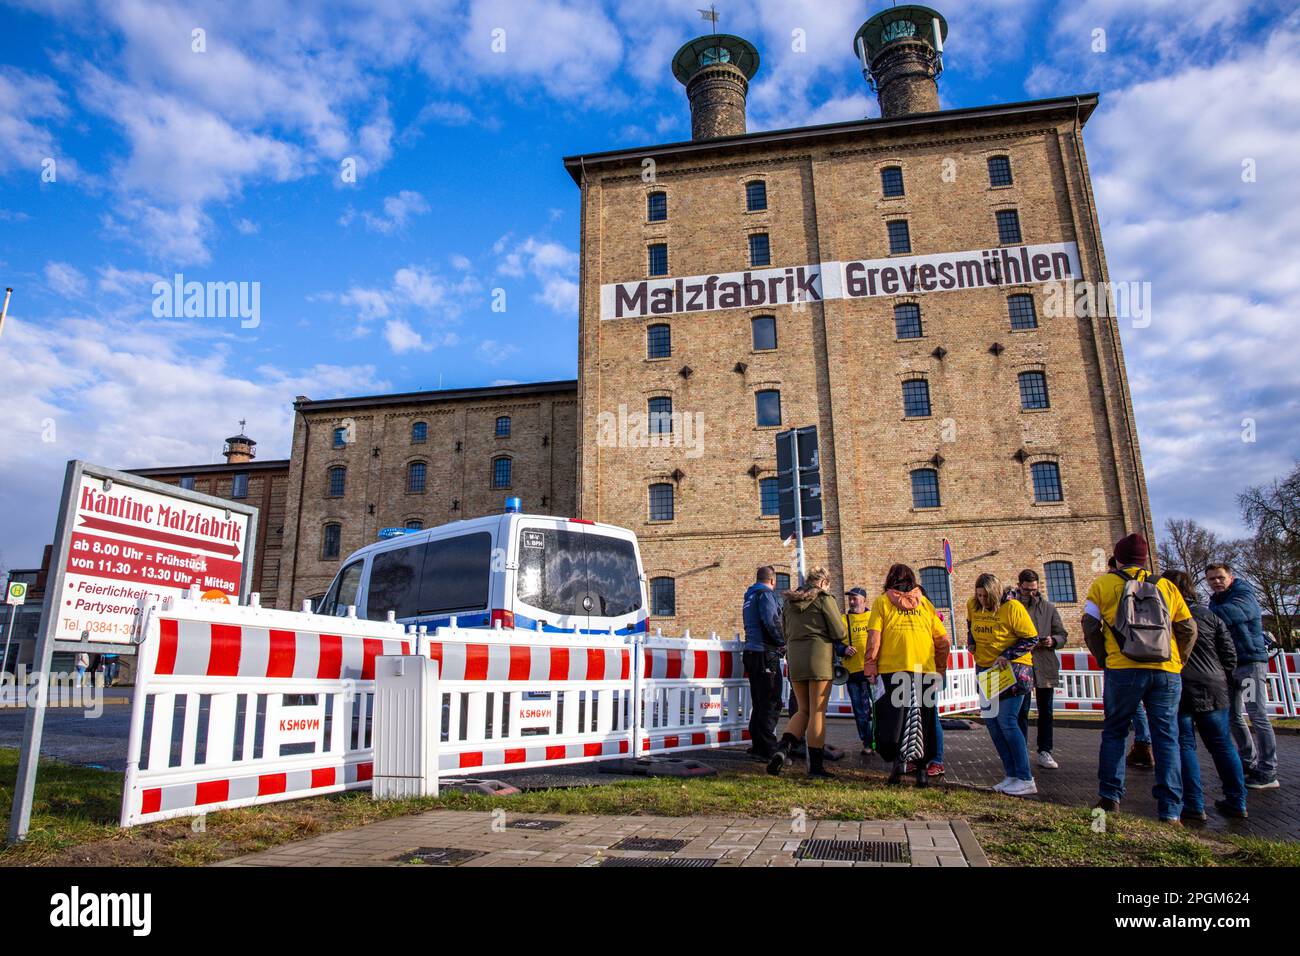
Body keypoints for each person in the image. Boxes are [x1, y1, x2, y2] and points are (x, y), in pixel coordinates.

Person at [1083, 533, 1196, 823]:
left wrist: (1105, 658)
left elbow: (1089, 625)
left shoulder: (1104, 583)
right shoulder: (1167, 586)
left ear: (1118, 558)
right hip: (1166, 669)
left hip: (1123, 667)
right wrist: (1178, 660)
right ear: (1144, 558)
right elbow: (1188, 628)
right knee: (1167, 737)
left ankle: (1110, 798)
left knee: (1115, 732)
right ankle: (1170, 809)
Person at [1162, 570, 1247, 822]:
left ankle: (1194, 805)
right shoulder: (1208, 615)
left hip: (1180, 686)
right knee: (1222, 745)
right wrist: (1223, 676)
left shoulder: (1164, 615)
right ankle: (1237, 800)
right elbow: (1229, 653)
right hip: (1214, 687)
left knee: (1185, 745)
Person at [863, 564, 950, 787]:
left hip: (894, 669)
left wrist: (870, 666)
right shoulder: (926, 605)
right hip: (925, 670)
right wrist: (940, 669)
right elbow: (942, 641)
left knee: (895, 721)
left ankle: (897, 767)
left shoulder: (882, 602)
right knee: (925, 720)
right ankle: (922, 771)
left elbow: (874, 638)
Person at [768, 567, 850, 778]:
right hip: (819, 659)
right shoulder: (823, 598)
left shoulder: (789, 601)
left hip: (796, 659)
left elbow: (784, 630)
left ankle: (781, 750)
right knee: (817, 712)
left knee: (802, 710)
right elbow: (839, 631)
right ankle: (815, 768)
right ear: (823, 583)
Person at [1207, 562, 1279, 790]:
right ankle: (1248, 762)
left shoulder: (1244, 594)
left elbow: (1236, 613)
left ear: (1230, 577)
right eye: (1211, 579)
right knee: (1233, 716)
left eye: (1220, 577)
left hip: (1249, 664)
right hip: (1230, 667)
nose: (1216, 582)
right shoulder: (1214, 600)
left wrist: (1202, 616)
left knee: (1257, 714)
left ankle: (1269, 771)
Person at [968, 573, 1040, 796]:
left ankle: (1025, 777)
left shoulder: (1013, 608)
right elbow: (971, 625)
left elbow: (1031, 638)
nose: (982, 601)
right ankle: (1011, 774)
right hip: (986, 669)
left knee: (1007, 721)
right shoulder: (972, 605)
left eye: (986, 597)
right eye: (979, 596)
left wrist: (1007, 654)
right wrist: (971, 643)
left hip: (1012, 670)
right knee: (992, 723)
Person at [1014, 569, 1069, 769]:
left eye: (1034, 589)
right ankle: (1020, 751)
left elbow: (1062, 634)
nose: (1031, 593)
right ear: (1019, 586)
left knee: (1046, 711)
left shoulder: (1048, 608)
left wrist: (1053, 640)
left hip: (1044, 664)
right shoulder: (1013, 606)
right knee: (1021, 710)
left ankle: (1045, 751)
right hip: (1022, 665)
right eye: (1027, 589)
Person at [742, 566, 786, 759]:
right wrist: (782, 641)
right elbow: (771, 621)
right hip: (765, 653)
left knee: (759, 701)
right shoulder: (766, 596)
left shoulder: (749, 597)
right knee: (771, 700)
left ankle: (758, 744)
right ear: (773, 581)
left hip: (751, 652)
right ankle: (768, 748)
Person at [841, 587, 874, 756]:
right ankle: (867, 742)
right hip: (852, 672)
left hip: (872, 672)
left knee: (876, 708)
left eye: (855, 598)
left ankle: (878, 739)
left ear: (864, 600)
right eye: (850, 599)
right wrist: (843, 649)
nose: (852, 602)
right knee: (860, 710)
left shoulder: (872, 617)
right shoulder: (843, 620)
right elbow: (835, 642)